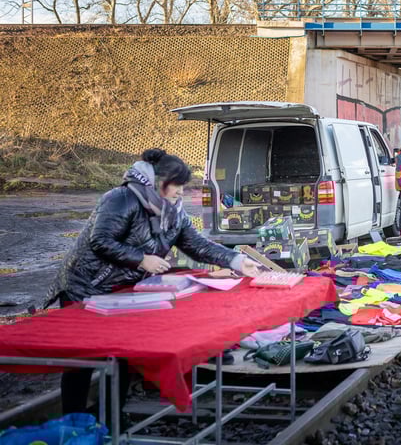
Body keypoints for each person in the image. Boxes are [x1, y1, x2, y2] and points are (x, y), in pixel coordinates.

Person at [43, 149, 264, 417]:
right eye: (177, 185)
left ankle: (112, 420)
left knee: (121, 356)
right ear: (157, 181)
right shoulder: (120, 199)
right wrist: (141, 260)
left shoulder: (173, 212)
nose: (181, 192)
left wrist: (236, 261)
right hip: (84, 288)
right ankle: (73, 421)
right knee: (81, 361)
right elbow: (100, 240)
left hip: (122, 293)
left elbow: (196, 245)